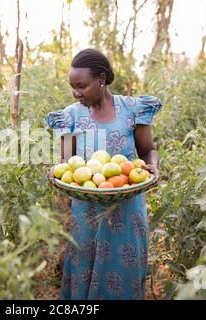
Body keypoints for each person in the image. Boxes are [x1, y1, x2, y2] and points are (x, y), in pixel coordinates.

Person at [46, 48, 163, 300]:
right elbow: (67, 162)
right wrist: (57, 170)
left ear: (101, 79)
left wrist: (153, 166)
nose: (76, 93)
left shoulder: (133, 108)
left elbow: (148, 150)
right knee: (84, 270)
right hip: (86, 210)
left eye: (82, 86)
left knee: (123, 271)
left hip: (127, 206)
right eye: (72, 86)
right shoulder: (71, 116)